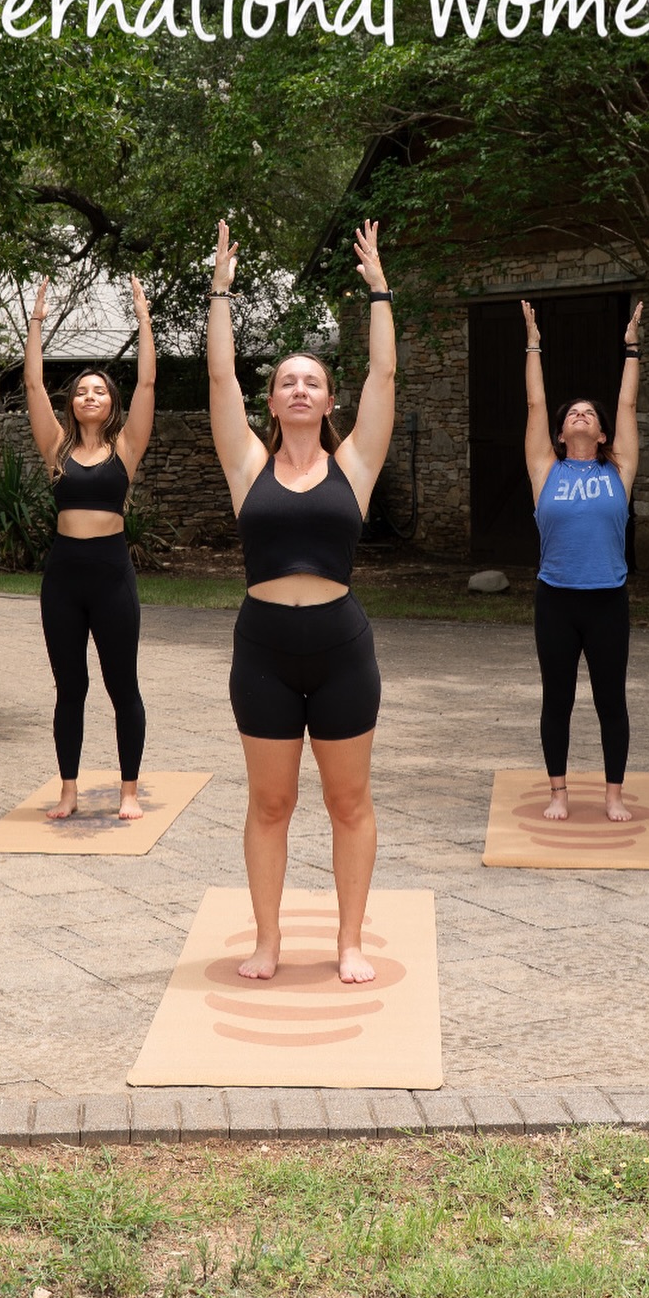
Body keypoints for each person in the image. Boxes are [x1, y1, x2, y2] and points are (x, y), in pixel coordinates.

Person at [208, 217, 395, 985]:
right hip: (263, 652)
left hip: (341, 647)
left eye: (311, 380)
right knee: (271, 804)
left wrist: (379, 291)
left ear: (327, 401)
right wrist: (219, 289)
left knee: (349, 802)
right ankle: (268, 940)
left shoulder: (355, 463)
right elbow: (219, 379)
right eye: (286, 380)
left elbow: (385, 379)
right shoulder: (246, 464)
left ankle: (349, 941)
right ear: (274, 399)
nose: (298, 388)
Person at [24, 273, 156, 820]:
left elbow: (147, 386)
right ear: (72, 404)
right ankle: (69, 790)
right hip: (63, 578)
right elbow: (33, 387)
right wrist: (35, 323)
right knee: (69, 687)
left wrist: (144, 319)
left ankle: (128, 790)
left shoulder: (126, 448)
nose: (89, 396)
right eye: (81, 391)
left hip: (111, 576)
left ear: (111, 402)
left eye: (99, 390)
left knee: (121, 683)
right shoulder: (55, 449)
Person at [521, 297, 644, 823]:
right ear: (561, 431)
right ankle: (559, 792)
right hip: (556, 600)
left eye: (589, 414)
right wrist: (534, 342)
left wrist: (632, 349)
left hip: (607, 601)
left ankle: (613, 794)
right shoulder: (545, 469)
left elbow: (630, 407)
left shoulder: (620, 470)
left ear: (600, 434)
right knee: (559, 699)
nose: (580, 414)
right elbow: (533, 404)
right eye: (572, 412)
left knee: (610, 700)